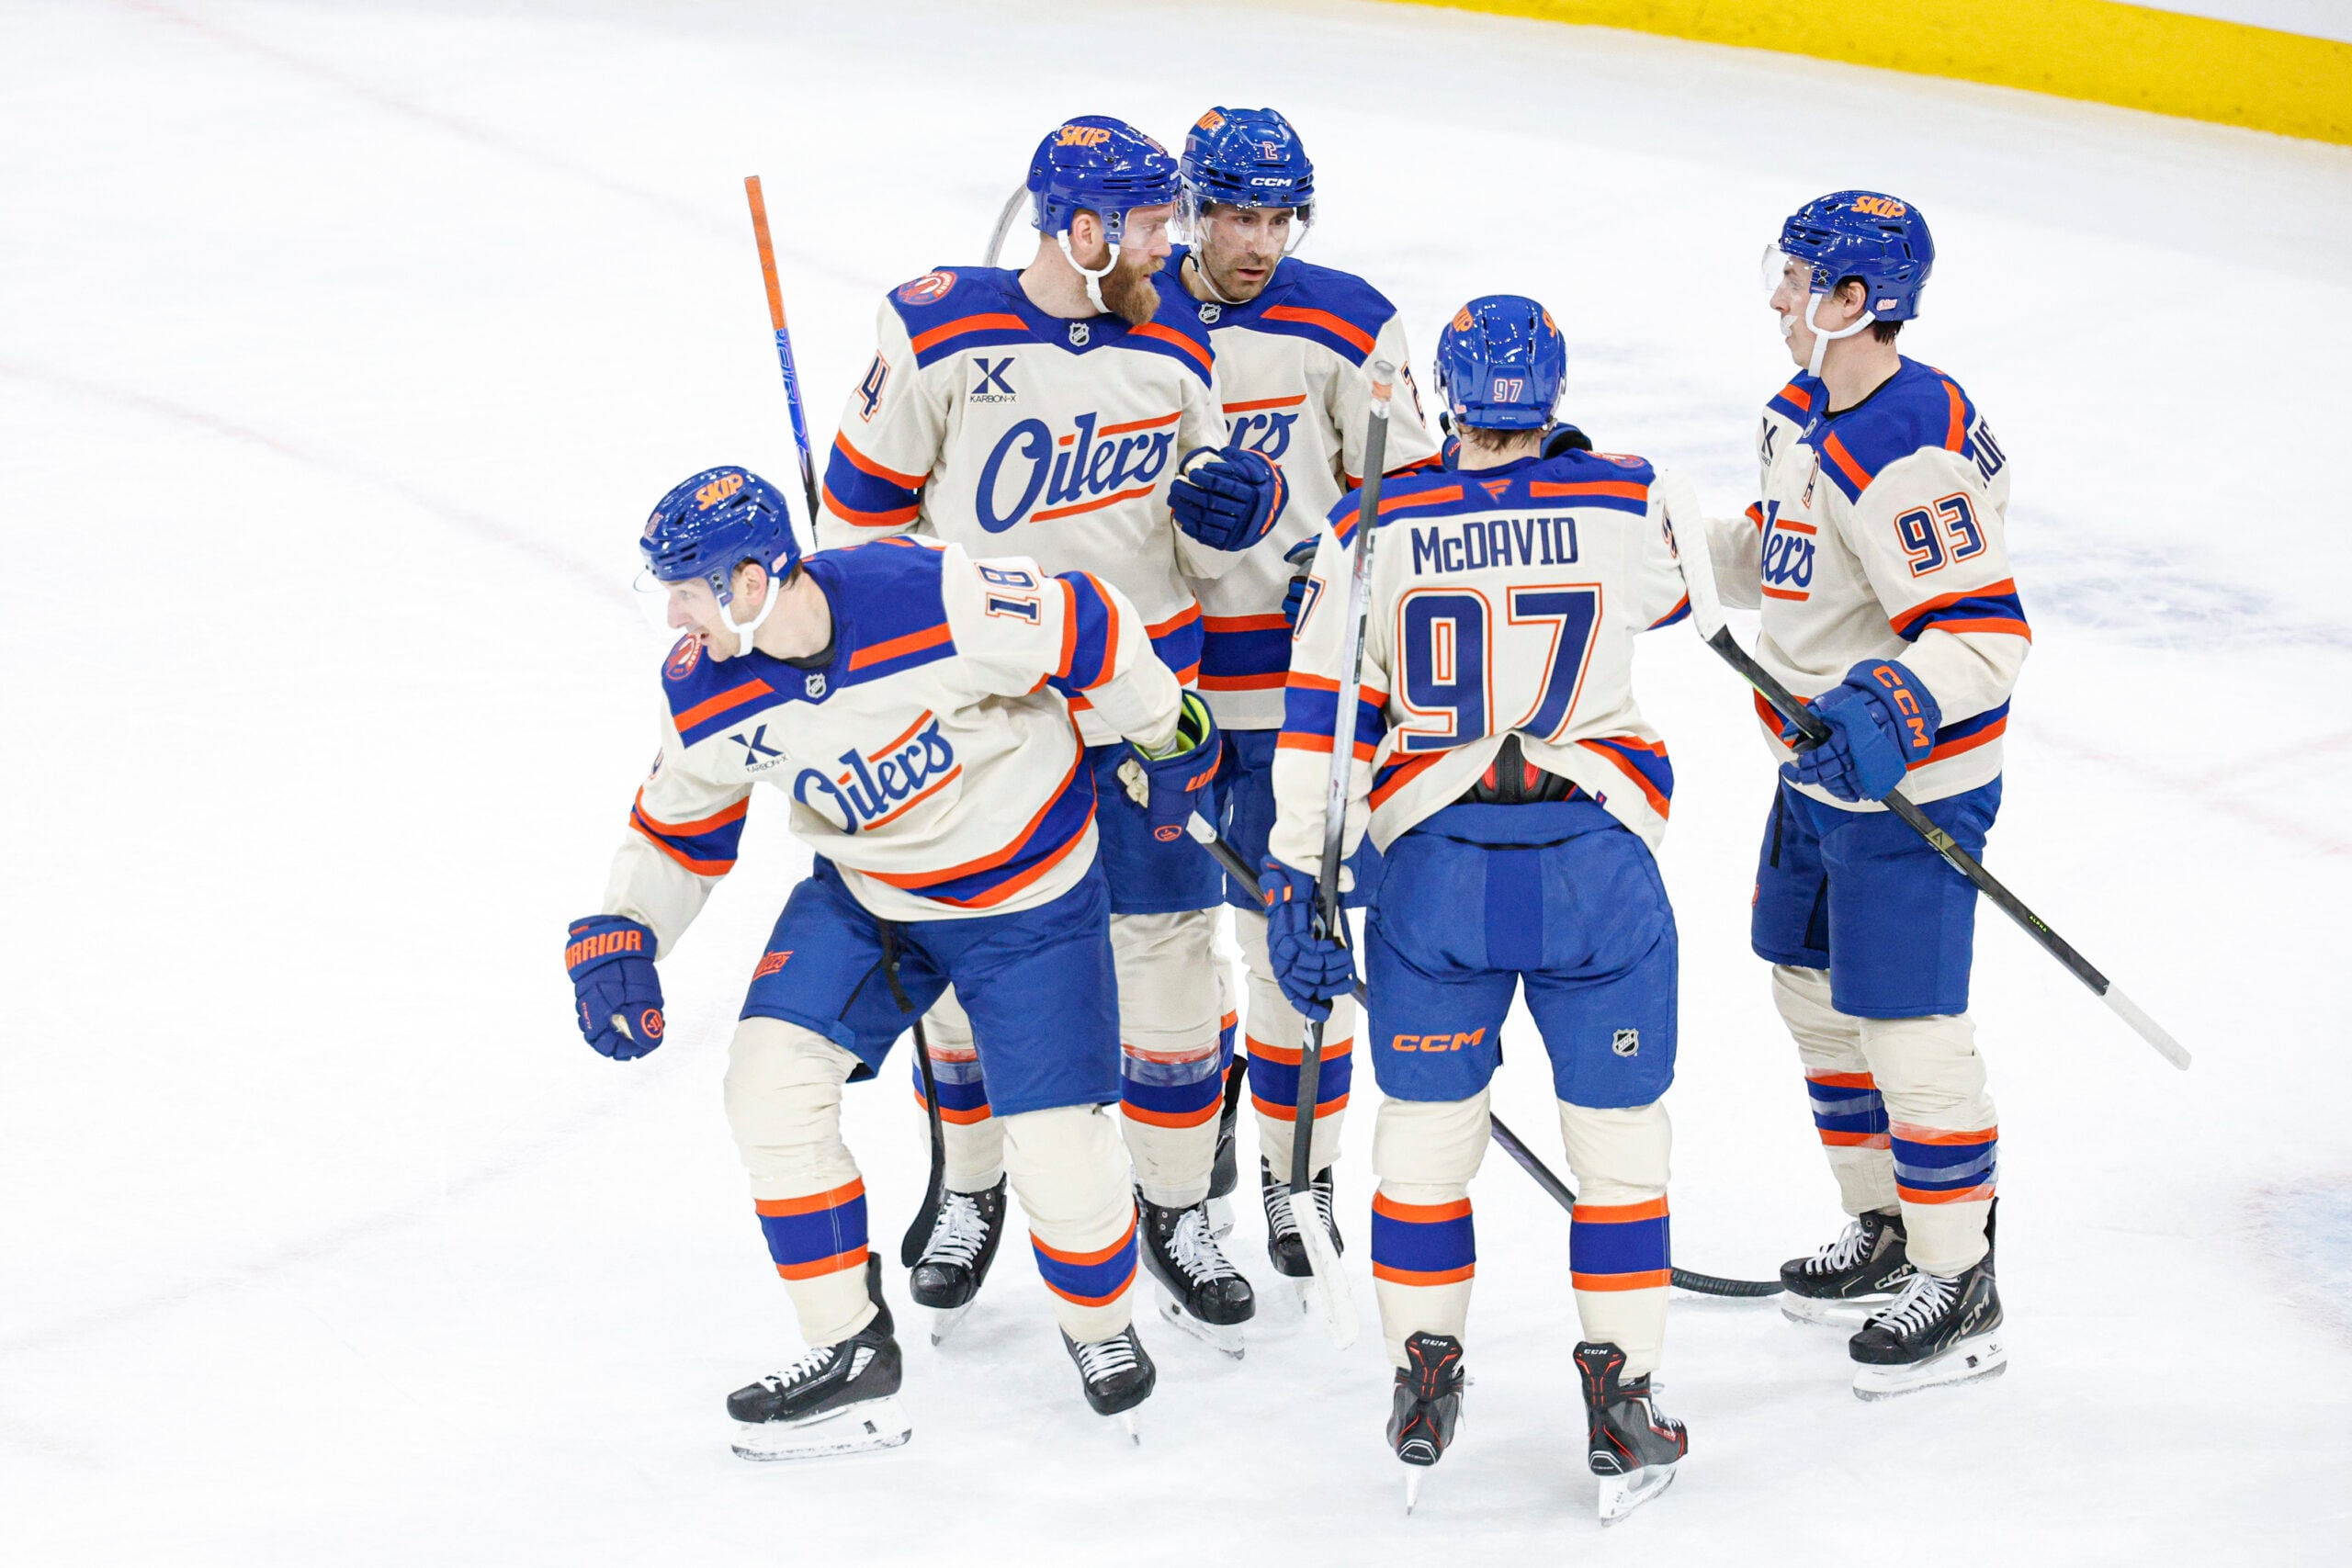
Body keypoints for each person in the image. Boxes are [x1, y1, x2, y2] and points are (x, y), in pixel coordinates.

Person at [562, 466, 1219, 1454]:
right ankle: (849, 1344)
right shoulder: (703, 691)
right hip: (873, 897)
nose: (674, 618)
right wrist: (624, 927)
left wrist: (1165, 734)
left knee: (1059, 1153)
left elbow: (1088, 623)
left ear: (751, 584)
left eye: (689, 590)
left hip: (1026, 899)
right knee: (767, 1085)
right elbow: (676, 830)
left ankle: (1100, 1327)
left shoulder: (931, 596)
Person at [815, 115, 1283, 1351]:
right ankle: (972, 1184)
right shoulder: (935, 330)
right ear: (1082, 232)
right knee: (968, 954)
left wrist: (1244, 503)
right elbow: (861, 516)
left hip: (1144, 709)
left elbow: (1212, 522)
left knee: (1171, 952)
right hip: (986, 717)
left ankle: (1177, 1206)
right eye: (1143, 225)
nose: (1168, 244)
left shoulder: (1178, 340)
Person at [1266, 299, 1693, 1518]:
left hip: (1436, 872)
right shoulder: (1625, 495)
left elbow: (1320, 716)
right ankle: (1623, 1399)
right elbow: (1669, 596)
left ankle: (1422, 1375)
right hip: (1594, 870)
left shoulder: (1371, 521)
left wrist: (1299, 872)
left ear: (1442, 396)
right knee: (1620, 1151)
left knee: (1426, 1142)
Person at [1703, 191, 2023, 1398]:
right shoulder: (1805, 413)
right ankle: (1886, 1220)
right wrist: (1668, 543)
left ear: (1856, 304)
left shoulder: (1904, 453)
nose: (1778, 297)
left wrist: (1891, 707)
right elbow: (1785, 563)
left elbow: (1983, 634)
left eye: (1799, 281)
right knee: (1807, 984)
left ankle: (1962, 1272)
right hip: (1815, 773)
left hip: (1913, 792)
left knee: (1910, 1025)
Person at [1160, 105, 1443, 1289]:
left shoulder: (1346, 318)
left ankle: (1297, 1171)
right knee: (1168, 954)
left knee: (1293, 957)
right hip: (1158, 697)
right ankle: (1187, 1145)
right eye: (1236, 213)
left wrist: (1294, 527)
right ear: (1187, 208)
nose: (1259, 240)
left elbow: (1422, 500)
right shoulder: (1129, 314)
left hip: (1297, 702)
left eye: (1278, 217)